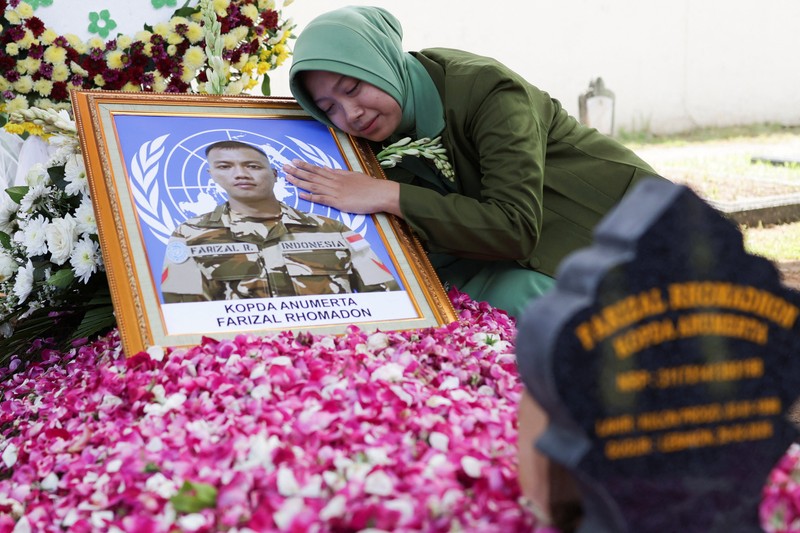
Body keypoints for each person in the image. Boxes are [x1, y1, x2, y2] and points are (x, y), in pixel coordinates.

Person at [283, 6, 668, 320]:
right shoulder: (358, 145)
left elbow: (514, 227)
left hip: (616, 224)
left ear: (381, 61)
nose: (350, 113)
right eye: (329, 107)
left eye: (353, 88)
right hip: (508, 259)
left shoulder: (488, 90)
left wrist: (388, 194)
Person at [161, 140, 399, 303]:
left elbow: (387, 299)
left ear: (274, 175)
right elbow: (184, 313)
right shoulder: (189, 235)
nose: (241, 174)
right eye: (224, 167)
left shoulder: (333, 230)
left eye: (253, 166)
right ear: (212, 175)